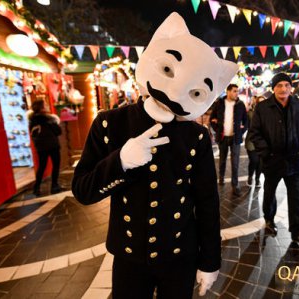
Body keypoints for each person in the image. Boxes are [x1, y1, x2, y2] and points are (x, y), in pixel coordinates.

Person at [72, 13, 238, 298]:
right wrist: (120, 161)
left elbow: (207, 203)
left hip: (179, 257)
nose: (173, 93)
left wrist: (210, 262)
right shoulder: (110, 123)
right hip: (129, 258)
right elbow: (83, 191)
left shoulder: (196, 137)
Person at [249, 73, 299, 246]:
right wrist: (266, 153)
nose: (283, 89)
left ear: (291, 87)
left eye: (286, 85)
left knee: (295, 197)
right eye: (279, 85)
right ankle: (269, 220)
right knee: (269, 194)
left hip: (294, 160)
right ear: (273, 88)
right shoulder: (263, 108)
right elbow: (255, 133)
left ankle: (297, 231)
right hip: (272, 161)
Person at [210, 84, 248, 196]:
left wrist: (241, 131)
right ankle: (221, 178)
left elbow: (246, 121)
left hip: (235, 138)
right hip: (222, 137)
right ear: (228, 92)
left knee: (235, 162)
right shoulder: (219, 103)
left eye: (237, 91)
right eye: (235, 91)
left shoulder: (240, 105)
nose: (237, 93)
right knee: (222, 160)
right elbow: (212, 119)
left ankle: (235, 185)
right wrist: (217, 129)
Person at [28, 98, 62, 196]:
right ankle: (54, 186)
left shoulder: (32, 120)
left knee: (42, 167)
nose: (47, 105)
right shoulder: (49, 119)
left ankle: (36, 188)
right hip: (53, 145)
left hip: (41, 147)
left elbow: (33, 134)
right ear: (41, 107)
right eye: (45, 104)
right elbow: (58, 131)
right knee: (56, 165)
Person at [245, 95, 264, 187]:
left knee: (260, 162)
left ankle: (257, 178)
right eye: (259, 102)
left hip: (264, 142)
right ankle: (250, 176)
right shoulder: (250, 113)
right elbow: (245, 124)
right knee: (254, 160)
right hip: (251, 141)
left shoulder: (269, 114)